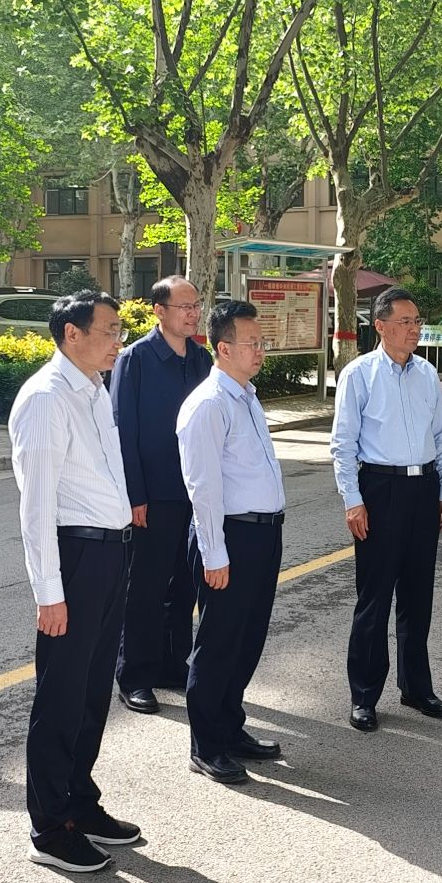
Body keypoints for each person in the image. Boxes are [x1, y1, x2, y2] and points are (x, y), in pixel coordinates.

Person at [8, 290, 142, 874]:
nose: (118, 341)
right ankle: (49, 826)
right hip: (75, 557)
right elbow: (36, 505)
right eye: (110, 330)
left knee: (90, 692)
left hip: (110, 553)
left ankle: (79, 801)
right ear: (72, 334)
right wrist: (49, 592)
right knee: (61, 695)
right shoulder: (45, 398)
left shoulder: (94, 389)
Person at [331, 286, 442, 732]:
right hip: (380, 490)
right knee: (375, 597)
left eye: (417, 321)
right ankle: (364, 695)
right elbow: (343, 445)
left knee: (418, 596)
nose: (414, 329)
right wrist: (353, 501)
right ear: (380, 326)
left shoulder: (427, 374)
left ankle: (416, 687)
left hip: (423, 488)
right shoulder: (359, 375)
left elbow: (441, 438)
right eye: (405, 322)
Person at [177, 299, 287, 785]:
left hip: (262, 535)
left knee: (247, 639)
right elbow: (202, 488)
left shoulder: (246, 396)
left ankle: (230, 727)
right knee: (219, 643)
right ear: (223, 348)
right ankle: (206, 745)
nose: (260, 350)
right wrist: (214, 554)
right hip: (229, 537)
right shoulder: (208, 404)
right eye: (252, 343)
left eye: (263, 342)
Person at [110, 274, 211, 714]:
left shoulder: (202, 358)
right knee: (145, 589)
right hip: (153, 494)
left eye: (196, 306)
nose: (193, 314)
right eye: (184, 307)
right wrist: (134, 495)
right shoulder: (135, 359)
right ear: (159, 311)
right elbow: (123, 430)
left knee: (184, 586)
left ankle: (172, 666)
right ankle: (135, 676)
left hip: (194, 492)